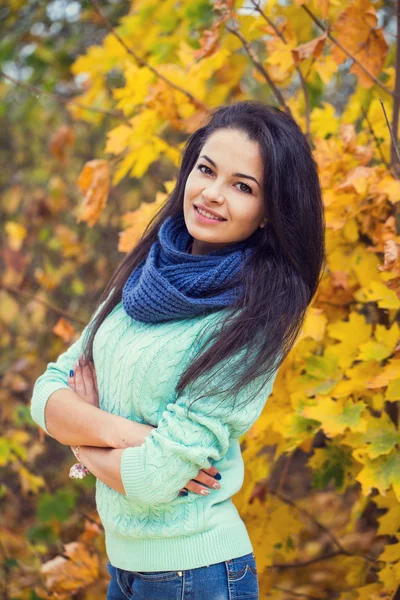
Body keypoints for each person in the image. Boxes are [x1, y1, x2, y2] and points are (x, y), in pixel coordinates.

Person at [30, 100, 326, 600]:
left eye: (242, 186)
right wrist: (127, 434)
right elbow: (45, 395)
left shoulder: (251, 317)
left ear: (269, 211)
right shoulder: (147, 276)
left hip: (197, 574)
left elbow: (150, 479)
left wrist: (78, 436)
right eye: (206, 170)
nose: (212, 194)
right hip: (122, 567)